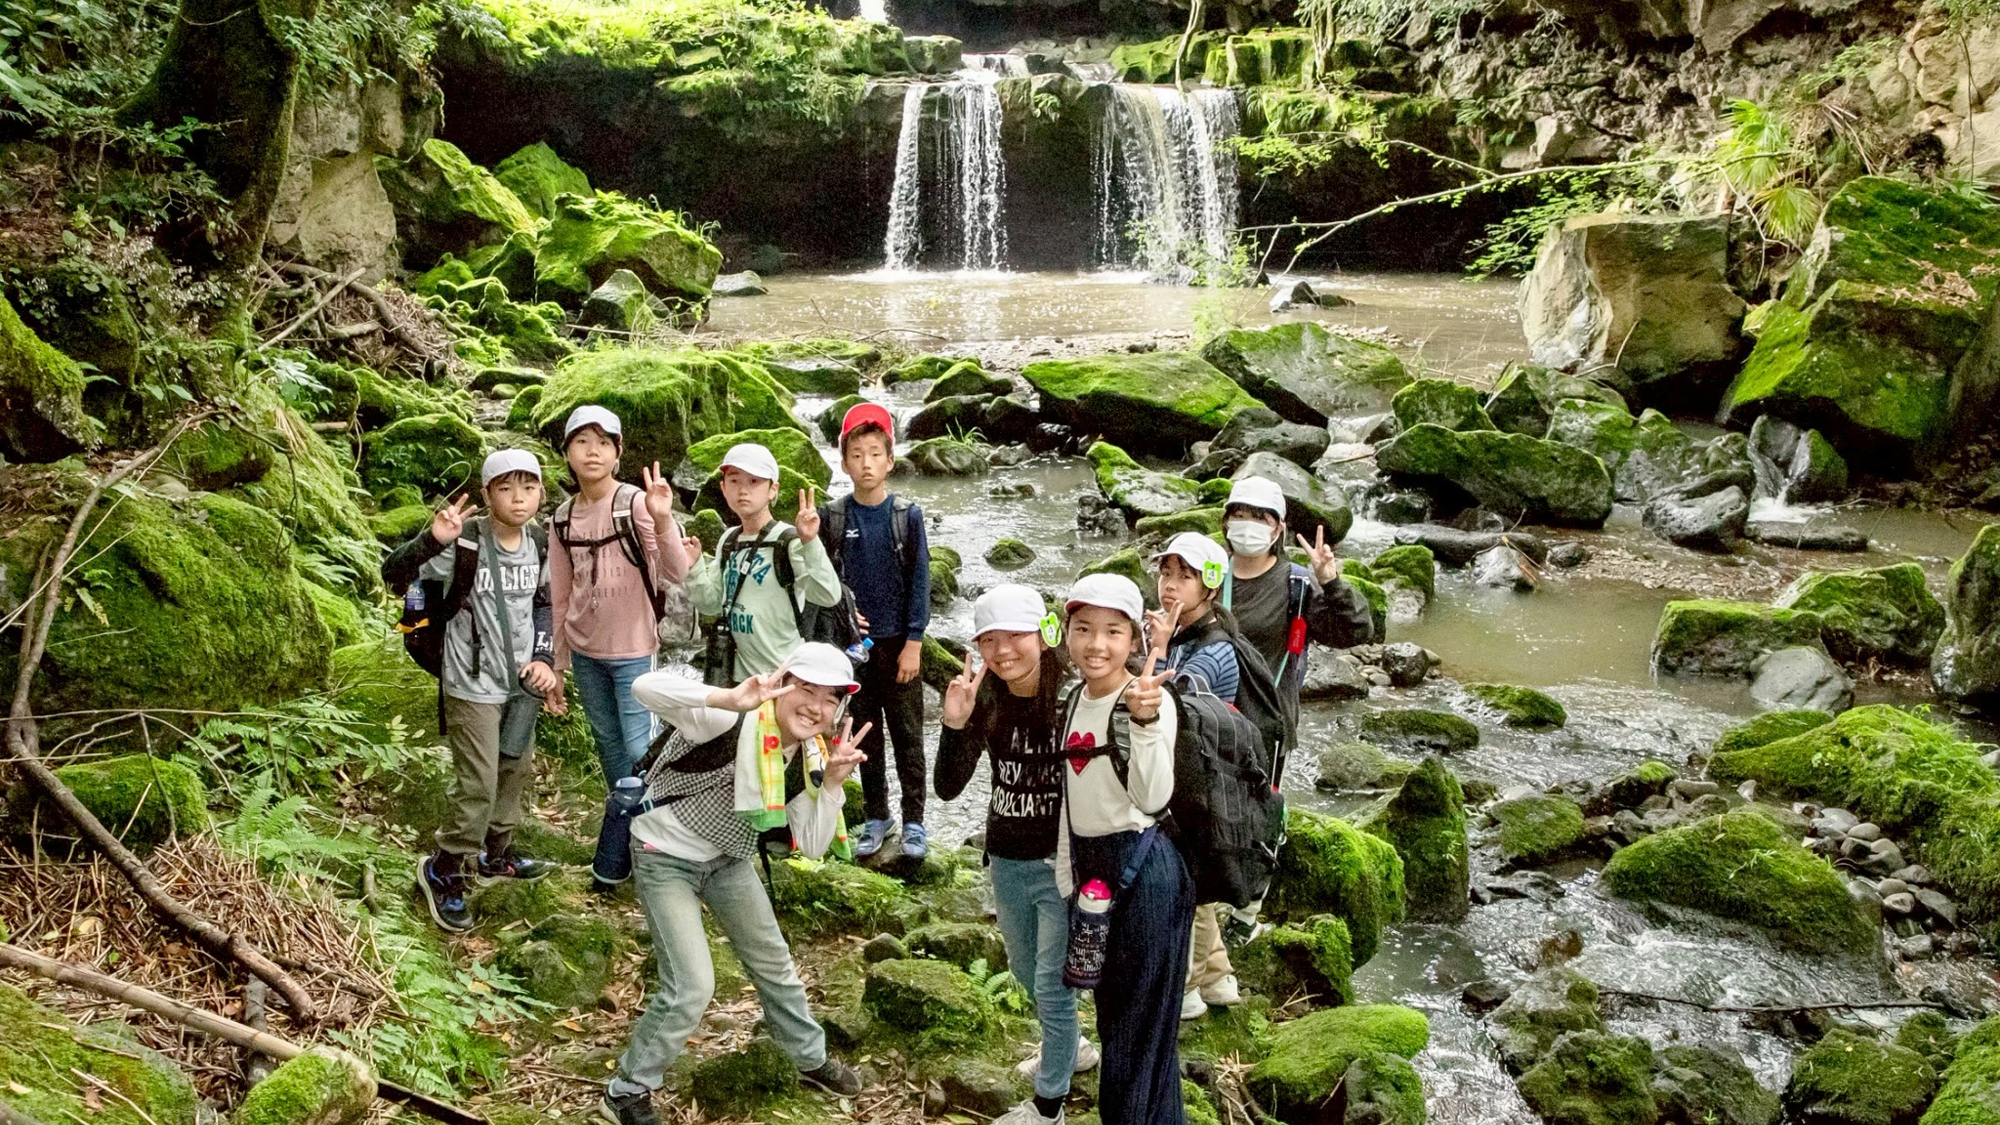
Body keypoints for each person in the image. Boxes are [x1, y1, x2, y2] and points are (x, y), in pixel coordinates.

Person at [598, 643, 870, 1125]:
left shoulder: (810, 754)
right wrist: (727, 697)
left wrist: (830, 784)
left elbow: (809, 844)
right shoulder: (734, 718)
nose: (816, 707)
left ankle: (808, 1058)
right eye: (805, 689)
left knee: (774, 962)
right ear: (781, 683)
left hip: (728, 859)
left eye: (831, 698)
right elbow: (643, 687)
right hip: (665, 855)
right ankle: (627, 1087)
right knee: (692, 986)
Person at [384, 450, 565, 933]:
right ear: (486, 496)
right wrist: (431, 539)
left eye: (528, 487)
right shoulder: (463, 543)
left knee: (515, 768)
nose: (518, 498)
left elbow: (545, 604)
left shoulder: (540, 544)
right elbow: (394, 575)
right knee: (478, 781)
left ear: (542, 494)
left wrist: (545, 660)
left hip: (521, 682)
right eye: (506, 488)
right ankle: (444, 868)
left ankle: (495, 853)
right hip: (469, 681)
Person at [937, 585, 1097, 1125]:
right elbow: (947, 788)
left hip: (1062, 867)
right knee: (1028, 976)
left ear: (1044, 636)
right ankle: (1072, 1050)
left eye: (1014, 636)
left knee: (1052, 987)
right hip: (1005, 858)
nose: (1002, 651)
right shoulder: (986, 696)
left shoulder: (1076, 698)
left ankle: (1048, 1105)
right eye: (988, 640)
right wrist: (954, 724)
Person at [1055, 573, 1192, 1125]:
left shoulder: (1148, 698)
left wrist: (1144, 720)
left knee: (1140, 1024)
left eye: (1113, 631)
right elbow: (1071, 799)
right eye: (1083, 629)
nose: (1096, 645)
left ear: (1135, 639)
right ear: (1066, 634)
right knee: (1117, 1019)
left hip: (1145, 870)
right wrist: (1069, 880)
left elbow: (1153, 796)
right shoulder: (1072, 700)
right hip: (1093, 872)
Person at [1215, 476, 1377, 943]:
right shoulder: (1208, 573)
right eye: (1238, 515)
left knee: (1256, 814)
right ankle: (1206, 902)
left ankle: (1248, 910)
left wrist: (1332, 580)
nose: (1246, 525)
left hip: (1266, 722)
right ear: (1225, 522)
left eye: (1259, 517)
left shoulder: (1296, 586)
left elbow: (1356, 631)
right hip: (1206, 716)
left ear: (1278, 528)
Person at [547, 407, 693, 860]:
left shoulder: (635, 504)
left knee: (639, 747)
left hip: (633, 648)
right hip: (587, 650)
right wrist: (558, 661)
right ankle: (627, 834)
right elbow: (560, 591)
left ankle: (659, 840)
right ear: (567, 452)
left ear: (618, 453)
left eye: (604, 443)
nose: (593, 452)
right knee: (609, 746)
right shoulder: (562, 517)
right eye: (582, 442)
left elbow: (678, 569)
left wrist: (663, 519)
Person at [823, 402, 934, 861]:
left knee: (908, 734)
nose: (866, 463)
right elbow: (824, 584)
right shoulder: (835, 518)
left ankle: (914, 821)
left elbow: (920, 581)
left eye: (875, 453)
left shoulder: (906, 516)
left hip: (898, 646)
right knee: (863, 731)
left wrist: (914, 642)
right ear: (844, 461)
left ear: (890, 460)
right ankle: (876, 814)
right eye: (856, 454)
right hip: (855, 650)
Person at [1149, 532, 1247, 1022]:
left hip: (1201, 785)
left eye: (1184, 577)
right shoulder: (1189, 636)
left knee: (1189, 884)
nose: (1170, 586)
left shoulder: (1212, 650)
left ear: (1209, 586)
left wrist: (1159, 650)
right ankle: (1218, 976)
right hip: (1192, 777)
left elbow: (1172, 709)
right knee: (1196, 879)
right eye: (1166, 573)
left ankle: (1186, 989)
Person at [686, 443, 843, 682]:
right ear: (723, 488)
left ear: (773, 490)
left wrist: (810, 542)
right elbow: (711, 605)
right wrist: (694, 567)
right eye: (734, 481)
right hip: (736, 678)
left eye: (754, 482)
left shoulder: (788, 541)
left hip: (782, 676)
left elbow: (828, 595)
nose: (742, 491)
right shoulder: (729, 540)